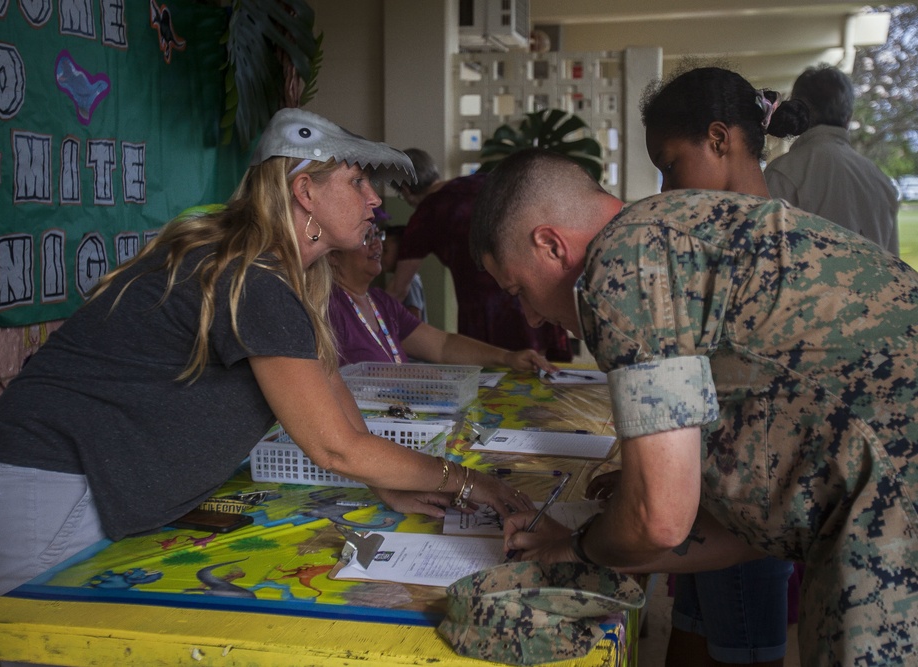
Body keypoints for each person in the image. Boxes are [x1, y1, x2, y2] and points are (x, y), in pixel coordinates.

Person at [0, 108, 533, 602]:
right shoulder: (254, 277)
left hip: (76, 477)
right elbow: (334, 446)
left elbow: (329, 391)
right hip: (48, 478)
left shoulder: (280, 274)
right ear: (305, 191)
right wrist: (466, 482)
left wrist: (383, 481)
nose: (375, 199)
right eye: (357, 181)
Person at [470, 148, 918, 666]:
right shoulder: (676, 235)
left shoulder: (620, 263)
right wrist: (613, 518)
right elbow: (743, 527)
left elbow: (658, 519)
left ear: (550, 245)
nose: (528, 317)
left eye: (519, 290)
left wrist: (578, 547)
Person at [636, 65, 810, 667]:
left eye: (670, 164)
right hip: (710, 493)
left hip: (749, 507)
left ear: (719, 139)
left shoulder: (770, 250)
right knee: (693, 631)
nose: (664, 190)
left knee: (742, 650)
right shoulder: (720, 243)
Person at [385, 148, 573, 361]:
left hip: (485, 309)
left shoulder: (427, 213)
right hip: (530, 289)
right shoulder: (481, 182)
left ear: (406, 188)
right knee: (542, 371)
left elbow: (399, 288)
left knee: (495, 378)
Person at [327, 222, 555, 372]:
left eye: (377, 234)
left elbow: (442, 345)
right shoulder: (328, 307)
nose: (377, 243)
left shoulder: (380, 301)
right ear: (333, 255)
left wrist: (507, 358)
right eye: (365, 237)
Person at [765, 64, 900, 255]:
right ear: (848, 116)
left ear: (797, 110)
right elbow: (895, 272)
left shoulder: (782, 173)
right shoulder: (880, 181)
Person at [379, 224, 426, 321]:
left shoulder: (410, 281)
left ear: (401, 252)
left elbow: (414, 319)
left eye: (385, 250)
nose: (379, 255)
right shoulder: (398, 281)